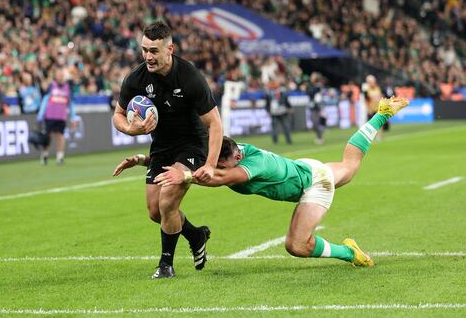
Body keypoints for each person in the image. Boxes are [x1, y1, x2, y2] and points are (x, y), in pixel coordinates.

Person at [153, 96, 410, 268]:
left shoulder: (248, 166)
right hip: (305, 167)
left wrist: (184, 176)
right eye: (235, 157)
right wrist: (145, 160)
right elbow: (204, 164)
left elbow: (220, 177)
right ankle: (381, 115)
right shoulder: (227, 151)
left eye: (239, 154)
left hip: (313, 184)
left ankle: (349, 253)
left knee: (296, 245)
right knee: (349, 166)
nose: (239, 155)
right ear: (218, 159)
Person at [111, 21, 223, 279]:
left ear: (169, 48)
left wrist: (210, 165)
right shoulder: (136, 79)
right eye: (144, 50)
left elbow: (215, 123)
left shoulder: (190, 77)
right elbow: (118, 115)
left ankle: (165, 265)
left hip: (192, 143)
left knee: (168, 198)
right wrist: (131, 130)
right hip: (162, 146)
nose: (148, 56)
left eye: (154, 51)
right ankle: (196, 236)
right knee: (155, 211)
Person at [36, 67, 77, 165]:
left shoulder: (68, 88)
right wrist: (40, 115)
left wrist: (73, 117)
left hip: (61, 116)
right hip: (50, 115)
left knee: (60, 136)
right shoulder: (51, 86)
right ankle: (45, 155)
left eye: (61, 75)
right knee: (48, 136)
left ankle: (60, 157)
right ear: (55, 76)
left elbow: (71, 103)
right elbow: (45, 100)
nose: (60, 77)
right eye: (58, 75)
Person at [265, 80, 293, 145]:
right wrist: (268, 111)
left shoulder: (282, 93)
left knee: (286, 126)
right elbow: (267, 104)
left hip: (282, 112)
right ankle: (275, 141)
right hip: (275, 113)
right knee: (276, 127)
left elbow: (286, 101)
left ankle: (288, 140)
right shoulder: (269, 94)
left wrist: (289, 107)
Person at [362, 75, 387, 140]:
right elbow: (366, 100)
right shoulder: (367, 91)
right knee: (371, 124)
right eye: (369, 82)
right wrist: (368, 109)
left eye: (372, 82)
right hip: (371, 109)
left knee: (379, 123)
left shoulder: (379, 88)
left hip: (379, 109)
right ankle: (372, 136)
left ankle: (379, 136)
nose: (371, 83)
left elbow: (383, 97)